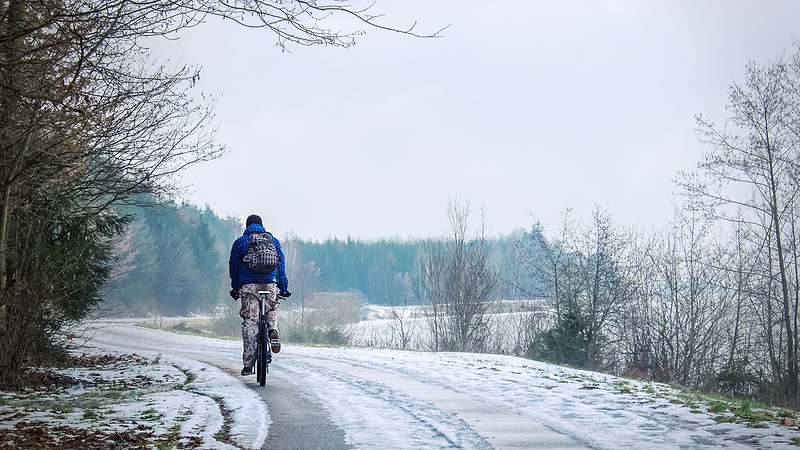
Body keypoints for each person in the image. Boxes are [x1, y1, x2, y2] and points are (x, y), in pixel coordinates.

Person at [229, 214, 290, 376]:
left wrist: (235, 287)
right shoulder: (273, 241)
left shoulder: (240, 242)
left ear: (247, 226)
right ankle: (273, 330)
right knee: (271, 310)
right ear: (262, 225)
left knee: (250, 321)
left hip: (249, 287)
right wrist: (283, 288)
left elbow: (234, 268)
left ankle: (249, 365)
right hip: (270, 284)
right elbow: (281, 266)